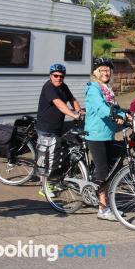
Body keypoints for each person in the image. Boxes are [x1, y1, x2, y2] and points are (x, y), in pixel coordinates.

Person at [84, 58, 127, 221]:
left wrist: (126, 115)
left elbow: (115, 108)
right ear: (96, 72)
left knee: (111, 169)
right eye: (102, 70)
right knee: (103, 171)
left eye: (108, 70)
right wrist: (115, 115)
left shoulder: (108, 89)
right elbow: (101, 108)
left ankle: (107, 203)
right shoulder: (93, 88)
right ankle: (102, 209)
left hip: (108, 133)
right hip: (95, 134)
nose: (105, 72)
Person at [36, 63, 81, 197]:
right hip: (45, 128)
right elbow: (59, 104)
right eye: (55, 75)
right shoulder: (48, 87)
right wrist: (73, 114)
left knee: (55, 156)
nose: (58, 78)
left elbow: (72, 99)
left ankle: (52, 180)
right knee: (45, 158)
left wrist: (78, 109)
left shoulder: (63, 86)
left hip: (57, 128)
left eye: (61, 76)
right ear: (50, 76)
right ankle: (43, 187)